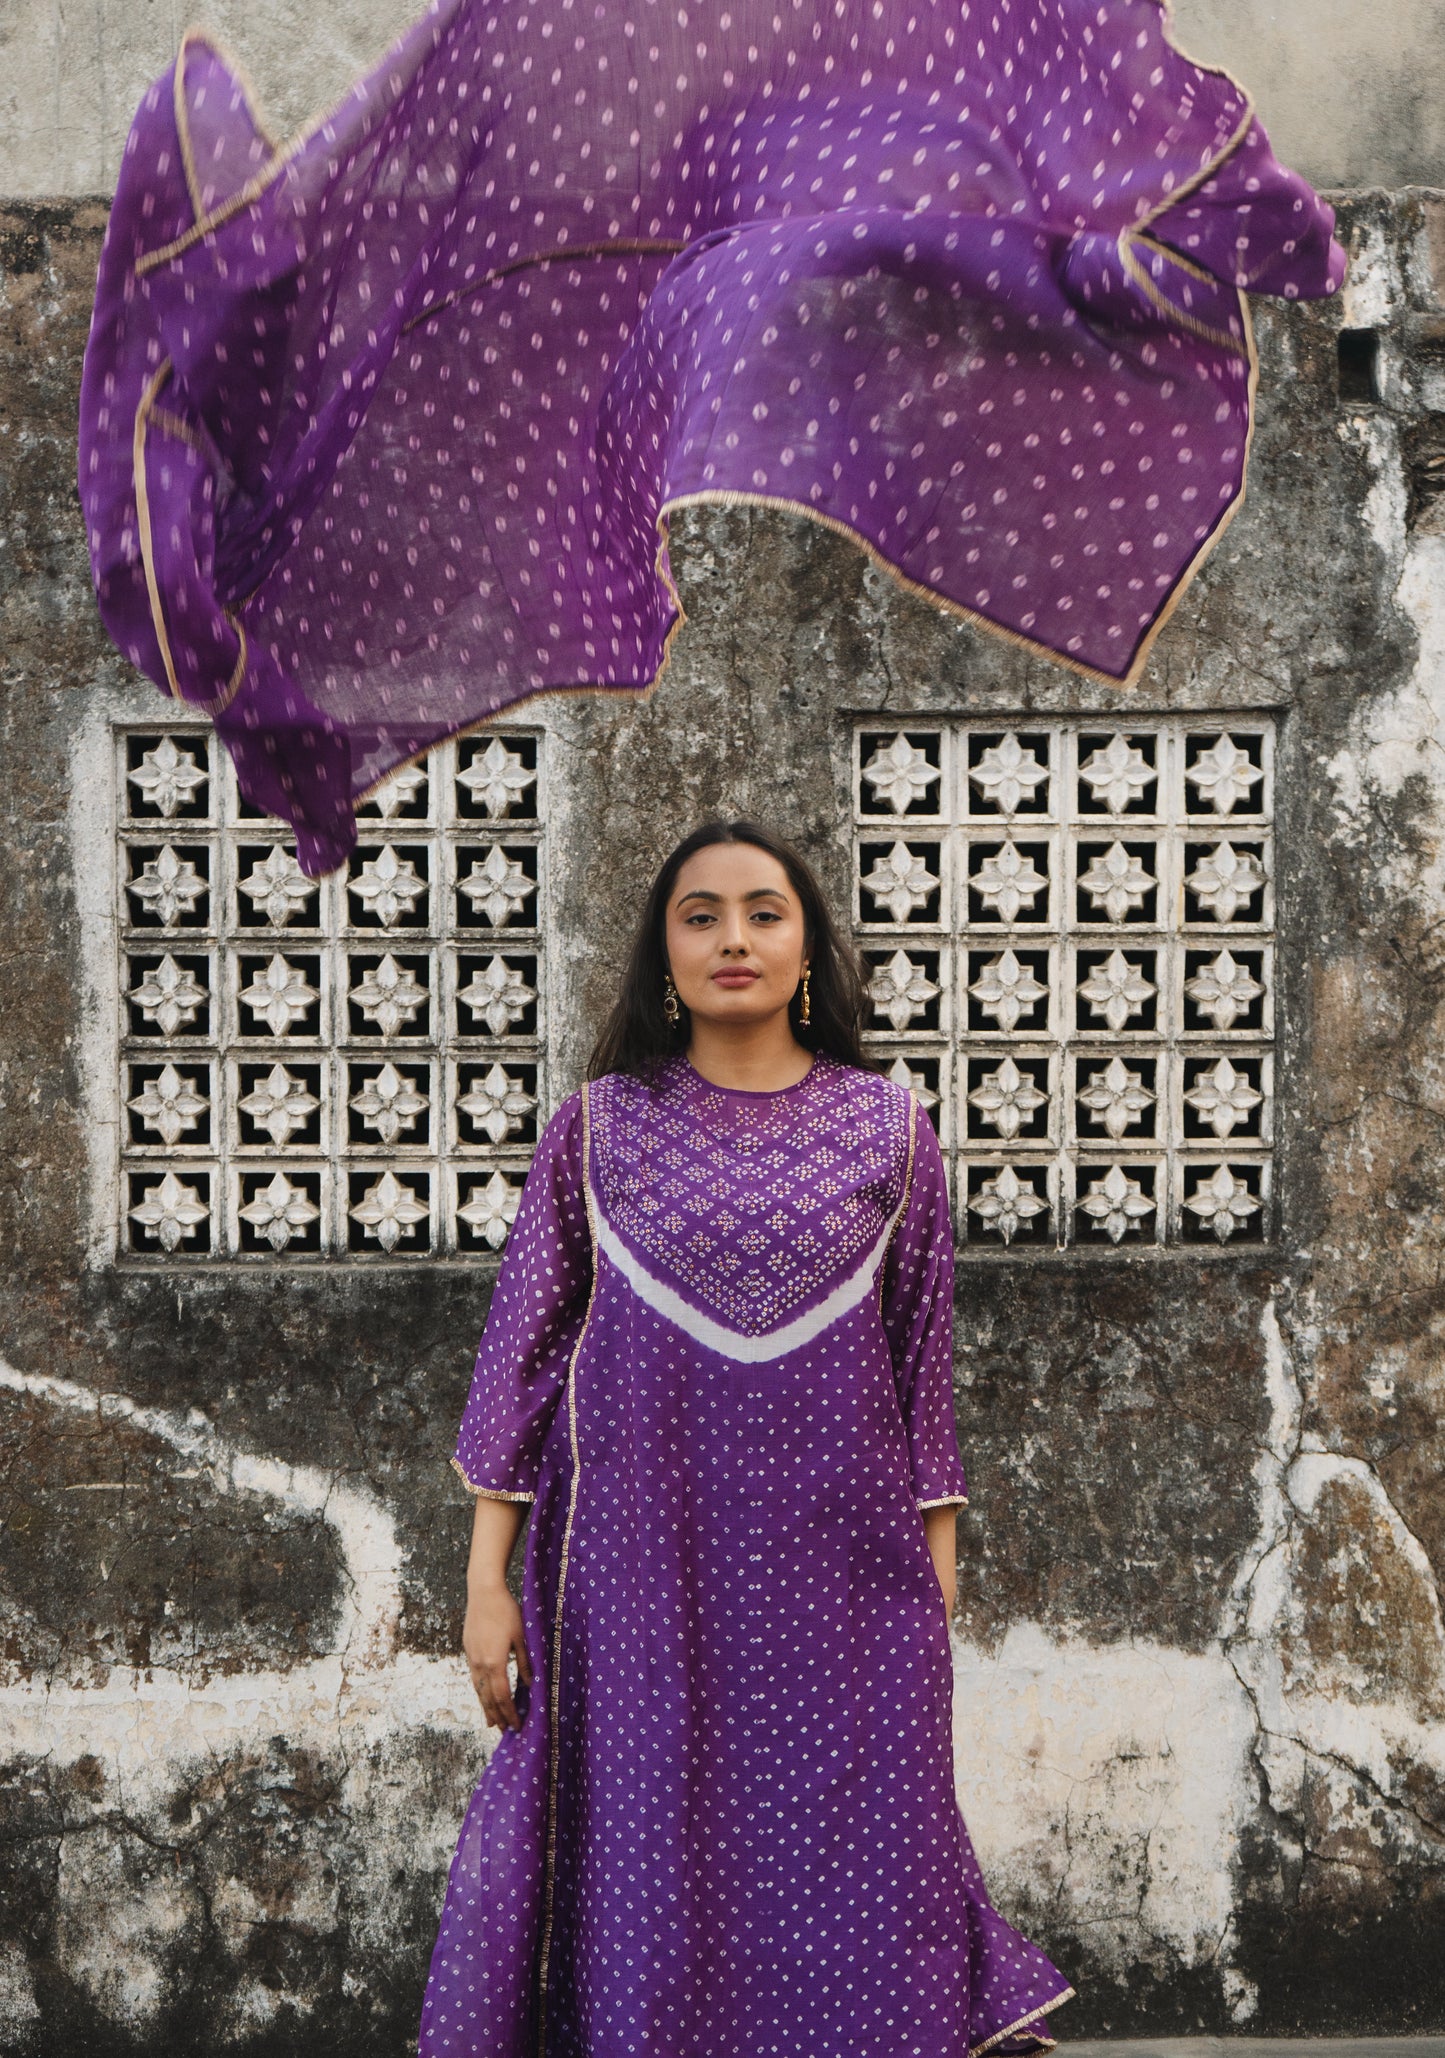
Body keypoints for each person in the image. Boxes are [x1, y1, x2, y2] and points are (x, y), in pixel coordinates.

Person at [419, 820, 1073, 2058]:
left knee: (863, 1847)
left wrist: (933, 1577)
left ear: (807, 946)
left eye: (764, 913)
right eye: (701, 915)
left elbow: (919, 1362)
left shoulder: (889, 1129)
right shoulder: (597, 1129)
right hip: (634, 1573)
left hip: (844, 1576)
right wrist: (485, 1583)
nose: (734, 938)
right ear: (662, 954)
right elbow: (519, 1357)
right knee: (649, 1851)